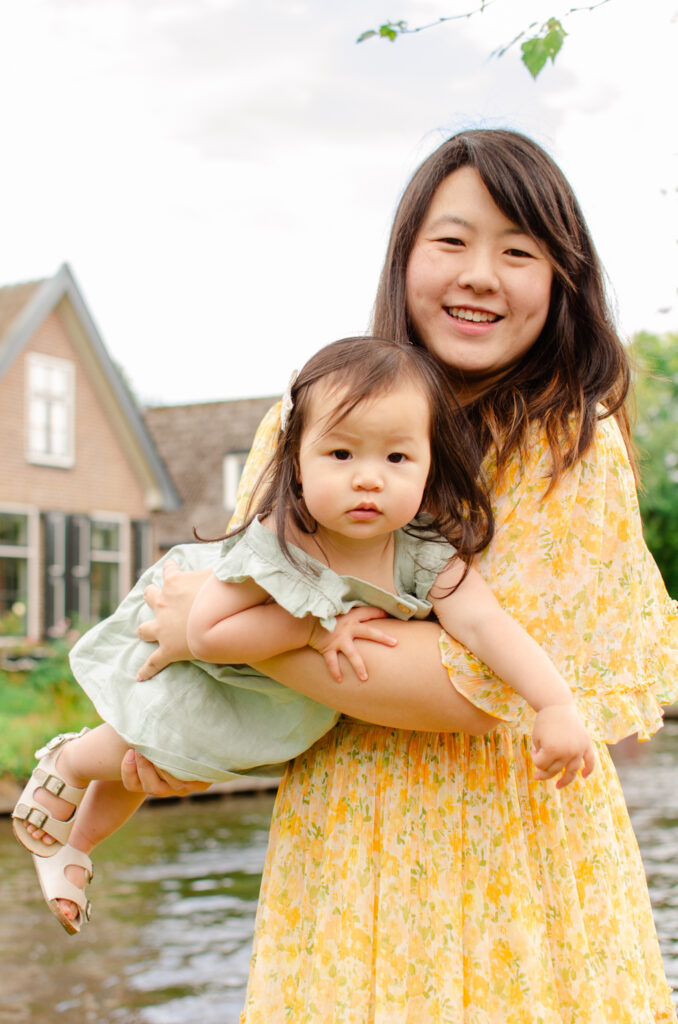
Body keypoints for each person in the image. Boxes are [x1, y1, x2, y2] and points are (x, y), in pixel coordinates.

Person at [122, 128, 678, 1023]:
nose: (480, 275)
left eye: (519, 251)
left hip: (519, 859)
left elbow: (472, 686)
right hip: (344, 845)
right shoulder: (304, 418)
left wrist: (230, 628)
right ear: (404, 256)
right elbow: (219, 661)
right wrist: (207, 647)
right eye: (451, 241)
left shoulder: (569, 445)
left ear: (560, 280)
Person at [12, 336, 595, 936]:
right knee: (143, 741)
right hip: (220, 680)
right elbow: (207, 633)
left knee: (146, 759)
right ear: (296, 462)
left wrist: (553, 702)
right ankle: (70, 759)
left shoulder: (425, 557)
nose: (368, 479)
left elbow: (487, 624)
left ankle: (76, 845)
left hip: (273, 714)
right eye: (341, 454)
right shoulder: (281, 543)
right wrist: (315, 630)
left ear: (429, 464)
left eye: (397, 459)